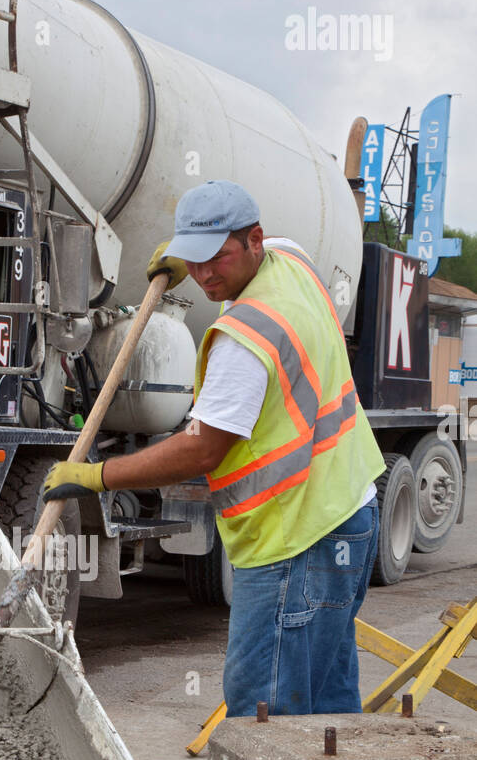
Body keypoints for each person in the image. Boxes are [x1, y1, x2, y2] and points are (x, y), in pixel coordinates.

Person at [42, 179, 385, 716]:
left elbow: (201, 452)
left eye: (216, 258)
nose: (203, 275)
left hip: (293, 541)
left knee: (263, 714)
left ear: (254, 239)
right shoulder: (293, 262)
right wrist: (185, 254)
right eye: (192, 260)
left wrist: (98, 476)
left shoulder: (243, 338)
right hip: (351, 513)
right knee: (328, 701)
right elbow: (271, 246)